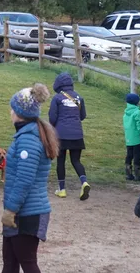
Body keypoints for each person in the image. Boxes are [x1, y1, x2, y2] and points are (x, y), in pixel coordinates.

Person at [1, 83, 58, 273]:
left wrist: (11, 209)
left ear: (19, 112)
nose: (10, 112)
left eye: (12, 108)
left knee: (27, 262)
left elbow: (24, 180)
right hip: (22, 211)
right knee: (9, 263)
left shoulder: (28, 140)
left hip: (26, 213)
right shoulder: (27, 135)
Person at [48, 72, 90, 200]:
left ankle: (62, 190)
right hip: (77, 134)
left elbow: (52, 117)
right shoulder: (79, 97)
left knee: (61, 161)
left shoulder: (57, 98)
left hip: (61, 135)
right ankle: (84, 182)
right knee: (76, 160)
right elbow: (82, 116)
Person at [123, 93, 140, 181]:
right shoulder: (137, 112)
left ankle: (128, 174)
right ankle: (138, 175)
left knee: (129, 155)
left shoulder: (126, 113)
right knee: (137, 156)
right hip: (137, 139)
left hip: (128, 138)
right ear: (136, 102)